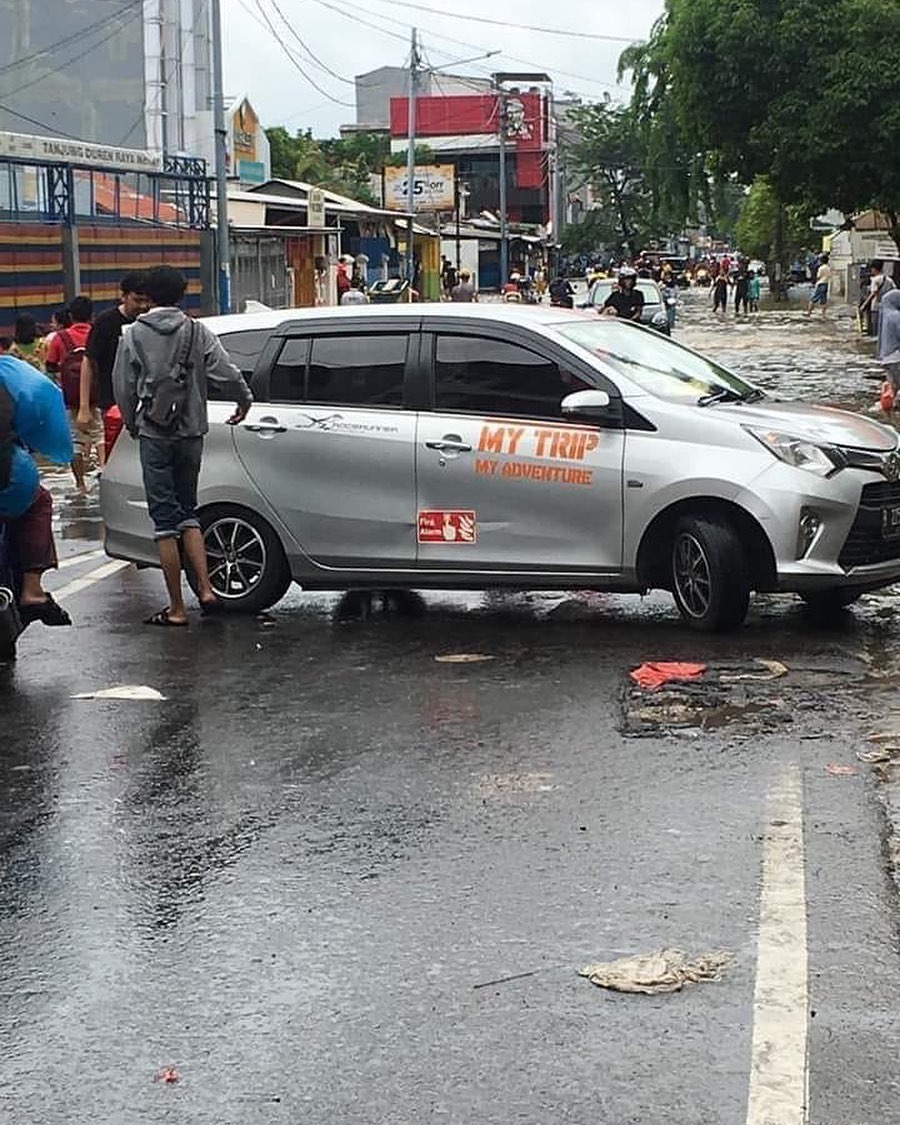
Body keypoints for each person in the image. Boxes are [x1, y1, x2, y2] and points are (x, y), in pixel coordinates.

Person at [112, 265, 253, 627]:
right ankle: (206, 590)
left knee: (164, 522)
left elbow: (123, 388)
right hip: (191, 433)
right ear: (181, 294)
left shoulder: (132, 334)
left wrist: (132, 422)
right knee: (189, 511)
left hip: (155, 434)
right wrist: (243, 400)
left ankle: (176, 608)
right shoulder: (197, 330)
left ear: (149, 295)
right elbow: (226, 372)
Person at [0, 353, 74, 627]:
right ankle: (32, 589)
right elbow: (44, 403)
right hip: (9, 477)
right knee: (39, 501)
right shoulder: (9, 373)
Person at [77, 272, 149, 455]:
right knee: (114, 454)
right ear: (123, 296)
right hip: (111, 404)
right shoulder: (105, 322)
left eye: (146, 301)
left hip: (146, 404)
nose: (142, 306)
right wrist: (84, 407)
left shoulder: (150, 323)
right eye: (137, 300)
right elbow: (88, 361)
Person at [45, 295, 95, 493]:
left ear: (71, 315)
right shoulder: (97, 333)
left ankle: (80, 484)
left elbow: (50, 365)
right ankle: (102, 472)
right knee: (101, 436)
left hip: (71, 397)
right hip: (99, 396)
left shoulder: (61, 337)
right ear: (92, 315)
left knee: (74, 438)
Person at [861, 260, 896, 340]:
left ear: (874, 269)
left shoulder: (875, 280)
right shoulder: (889, 280)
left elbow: (873, 293)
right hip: (887, 308)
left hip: (876, 307)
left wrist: (864, 305)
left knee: (876, 330)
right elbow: (894, 291)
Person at [878, 289, 900, 395]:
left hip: (886, 359)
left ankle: (888, 408)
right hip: (896, 357)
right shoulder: (896, 316)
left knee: (893, 388)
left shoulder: (884, 316)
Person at [805, 252, 832, 317]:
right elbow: (830, 276)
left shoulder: (821, 268)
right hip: (826, 284)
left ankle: (809, 313)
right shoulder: (828, 268)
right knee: (824, 300)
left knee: (813, 299)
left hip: (820, 284)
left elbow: (818, 276)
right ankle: (823, 315)